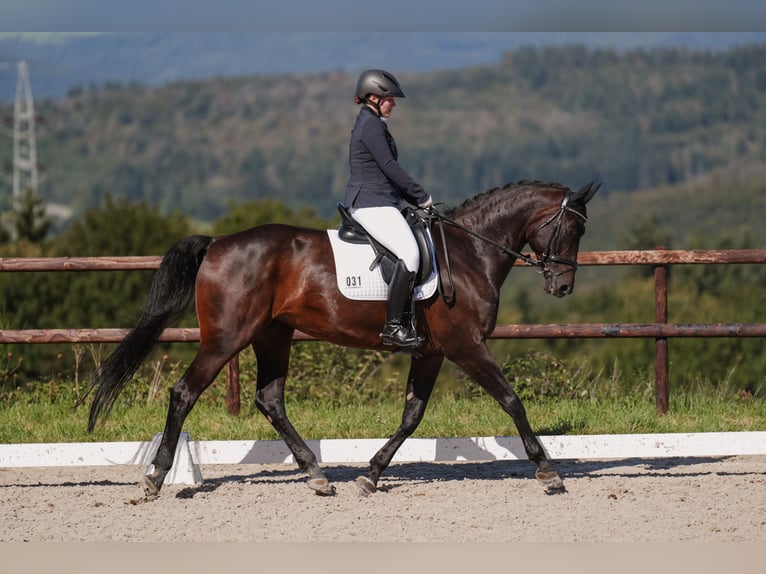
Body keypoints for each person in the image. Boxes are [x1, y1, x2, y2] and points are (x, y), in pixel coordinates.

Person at [343, 69, 433, 350]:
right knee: (410, 254)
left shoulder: (371, 122)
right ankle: (394, 328)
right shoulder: (370, 125)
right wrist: (422, 196)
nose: (393, 104)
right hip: (372, 203)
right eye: (389, 99)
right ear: (373, 97)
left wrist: (413, 200)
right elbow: (390, 168)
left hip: (380, 200)